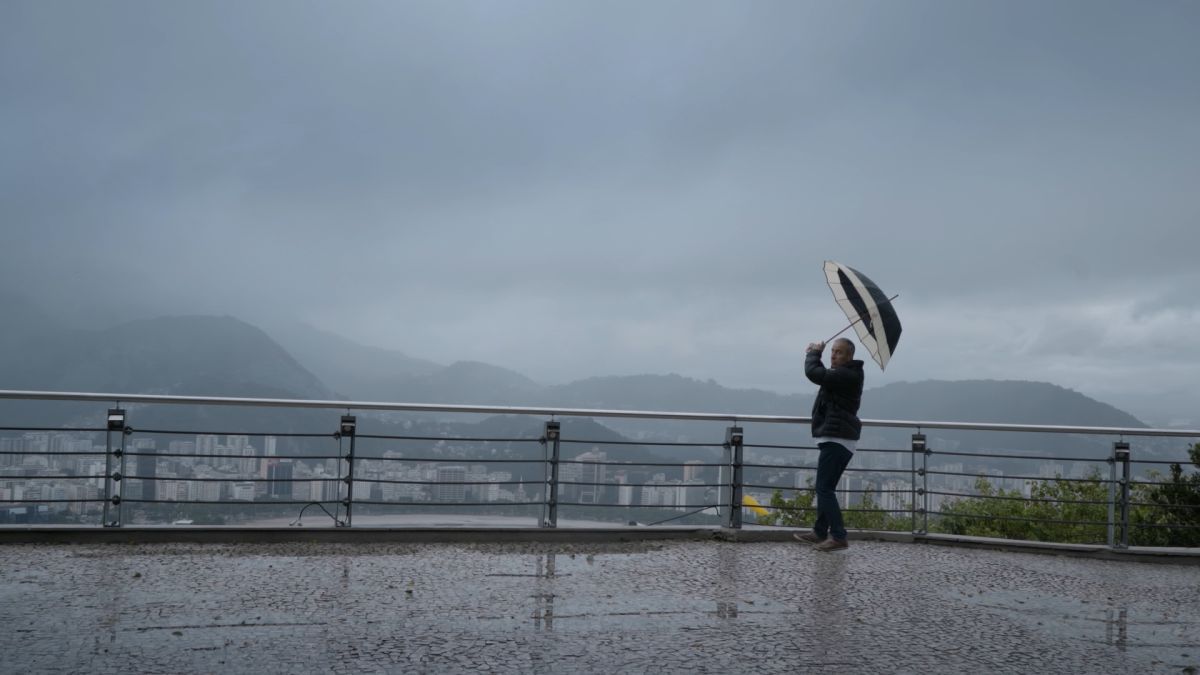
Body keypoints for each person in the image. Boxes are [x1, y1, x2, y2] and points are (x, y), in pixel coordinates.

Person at [793, 337, 864, 552]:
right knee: (827, 488)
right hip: (836, 437)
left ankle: (839, 536)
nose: (834, 355)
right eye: (833, 351)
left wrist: (814, 353)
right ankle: (820, 532)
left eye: (839, 352)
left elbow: (815, 374)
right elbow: (824, 377)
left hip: (837, 438)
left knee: (824, 488)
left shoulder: (847, 374)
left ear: (849, 356)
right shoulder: (843, 374)